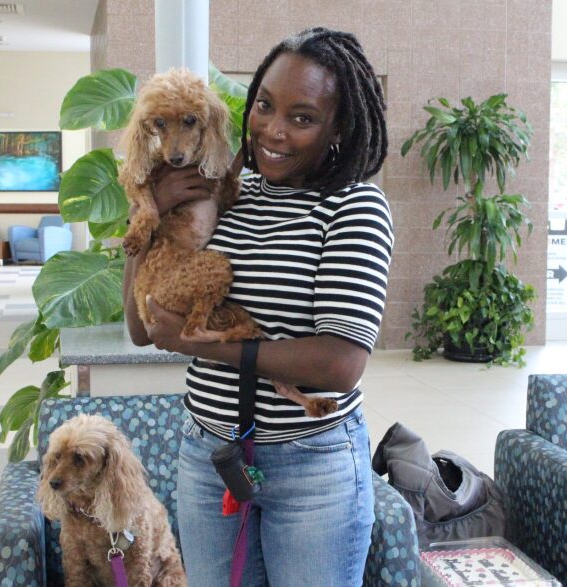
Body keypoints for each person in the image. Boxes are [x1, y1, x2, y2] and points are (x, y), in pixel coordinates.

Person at [123, 27, 392, 586]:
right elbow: (142, 329)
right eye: (265, 106)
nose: (273, 129)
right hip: (210, 455)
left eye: (302, 116)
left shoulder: (355, 206)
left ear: (337, 125)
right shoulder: (228, 192)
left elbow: (340, 364)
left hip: (311, 462)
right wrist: (147, 226)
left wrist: (208, 345)